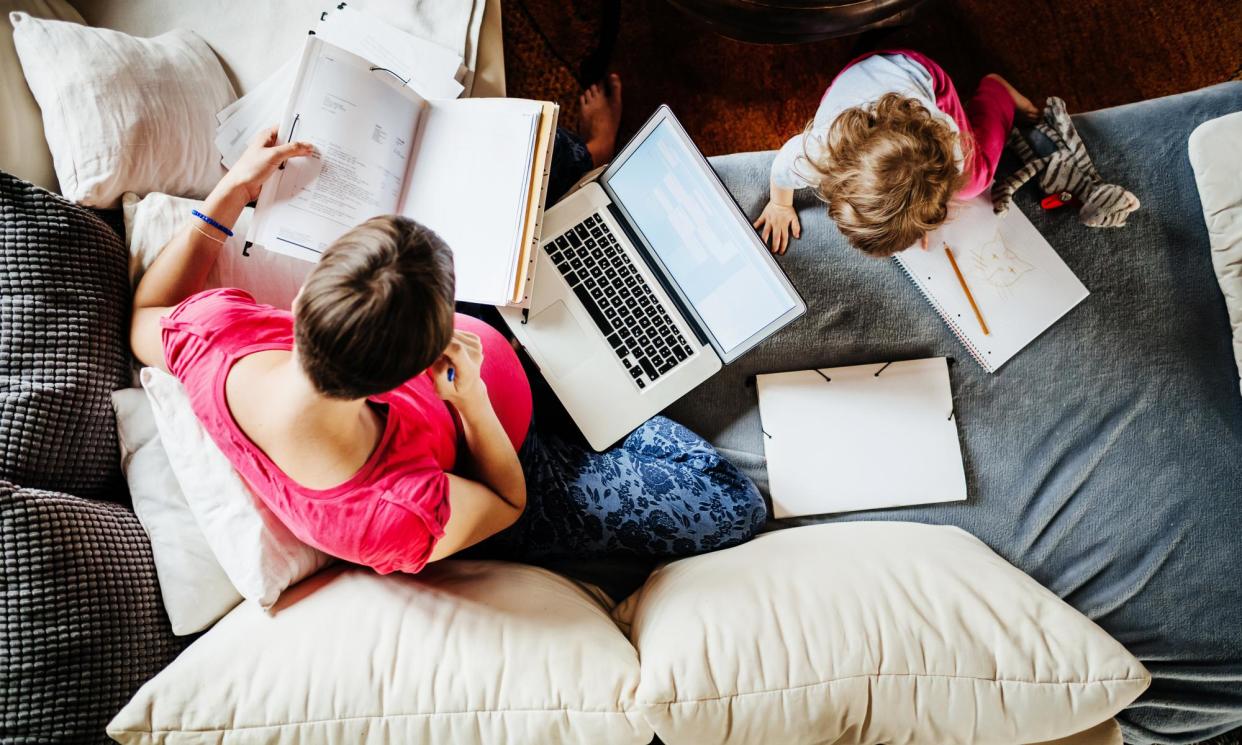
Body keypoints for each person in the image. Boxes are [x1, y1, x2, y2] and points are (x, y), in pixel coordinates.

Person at [128, 76, 765, 576]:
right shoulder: (389, 516)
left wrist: (231, 193)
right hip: (517, 462)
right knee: (727, 505)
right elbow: (507, 503)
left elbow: (142, 319)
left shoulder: (216, 334)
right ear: (412, 374)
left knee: (532, 165)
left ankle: (594, 157)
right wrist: (473, 402)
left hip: (471, 358)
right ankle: (602, 403)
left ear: (301, 302)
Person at [753, 50, 1039, 257]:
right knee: (967, 183)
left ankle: (997, 94)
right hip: (879, 70)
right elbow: (781, 169)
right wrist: (779, 205)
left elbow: (928, 181)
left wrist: (919, 210)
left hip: (901, 75)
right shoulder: (818, 151)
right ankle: (996, 92)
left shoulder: (949, 142)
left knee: (975, 180)